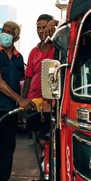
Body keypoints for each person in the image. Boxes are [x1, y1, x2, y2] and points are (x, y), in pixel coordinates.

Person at [0, 21, 36, 181]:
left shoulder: (19, 58)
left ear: (16, 37)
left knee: (6, 152)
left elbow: (20, 83)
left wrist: (21, 106)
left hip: (9, 112)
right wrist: (20, 100)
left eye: (8, 32)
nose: (4, 34)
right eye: (3, 30)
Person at [21, 14, 58, 161]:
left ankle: (52, 171)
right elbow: (28, 78)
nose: (41, 31)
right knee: (37, 140)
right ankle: (42, 173)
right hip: (33, 103)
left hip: (51, 103)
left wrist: (55, 22)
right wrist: (23, 101)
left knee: (48, 141)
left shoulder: (59, 48)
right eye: (39, 28)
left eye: (45, 27)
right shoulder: (33, 52)